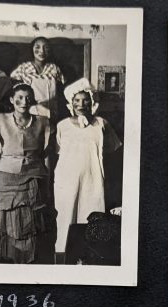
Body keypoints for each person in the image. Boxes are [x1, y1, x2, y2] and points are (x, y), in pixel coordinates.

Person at [0, 83, 55, 263]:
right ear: (11, 100)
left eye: (27, 98)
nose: (24, 101)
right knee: (6, 222)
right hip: (6, 179)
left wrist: (47, 183)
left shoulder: (43, 122)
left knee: (30, 224)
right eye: (20, 97)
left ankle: (27, 264)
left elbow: (47, 156)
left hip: (34, 177)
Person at [53, 79, 122, 257]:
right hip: (67, 180)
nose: (81, 104)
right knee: (66, 215)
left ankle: (88, 257)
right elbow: (58, 153)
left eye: (85, 100)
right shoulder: (62, 126)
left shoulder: (101, 124)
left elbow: (113, 150)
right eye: (77, 101)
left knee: (91, 217)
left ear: (92, 102)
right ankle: (62, 256)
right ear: (71, 103)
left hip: (93, 180)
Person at [10, 36, 65, 119]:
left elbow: (62, 89)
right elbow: (15, 90)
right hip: (30, 111)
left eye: (45, 48)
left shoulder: (54, 68)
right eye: (37, 47)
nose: (41, 51)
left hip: (52, 111)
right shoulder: (24, 67)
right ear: (32, 49)